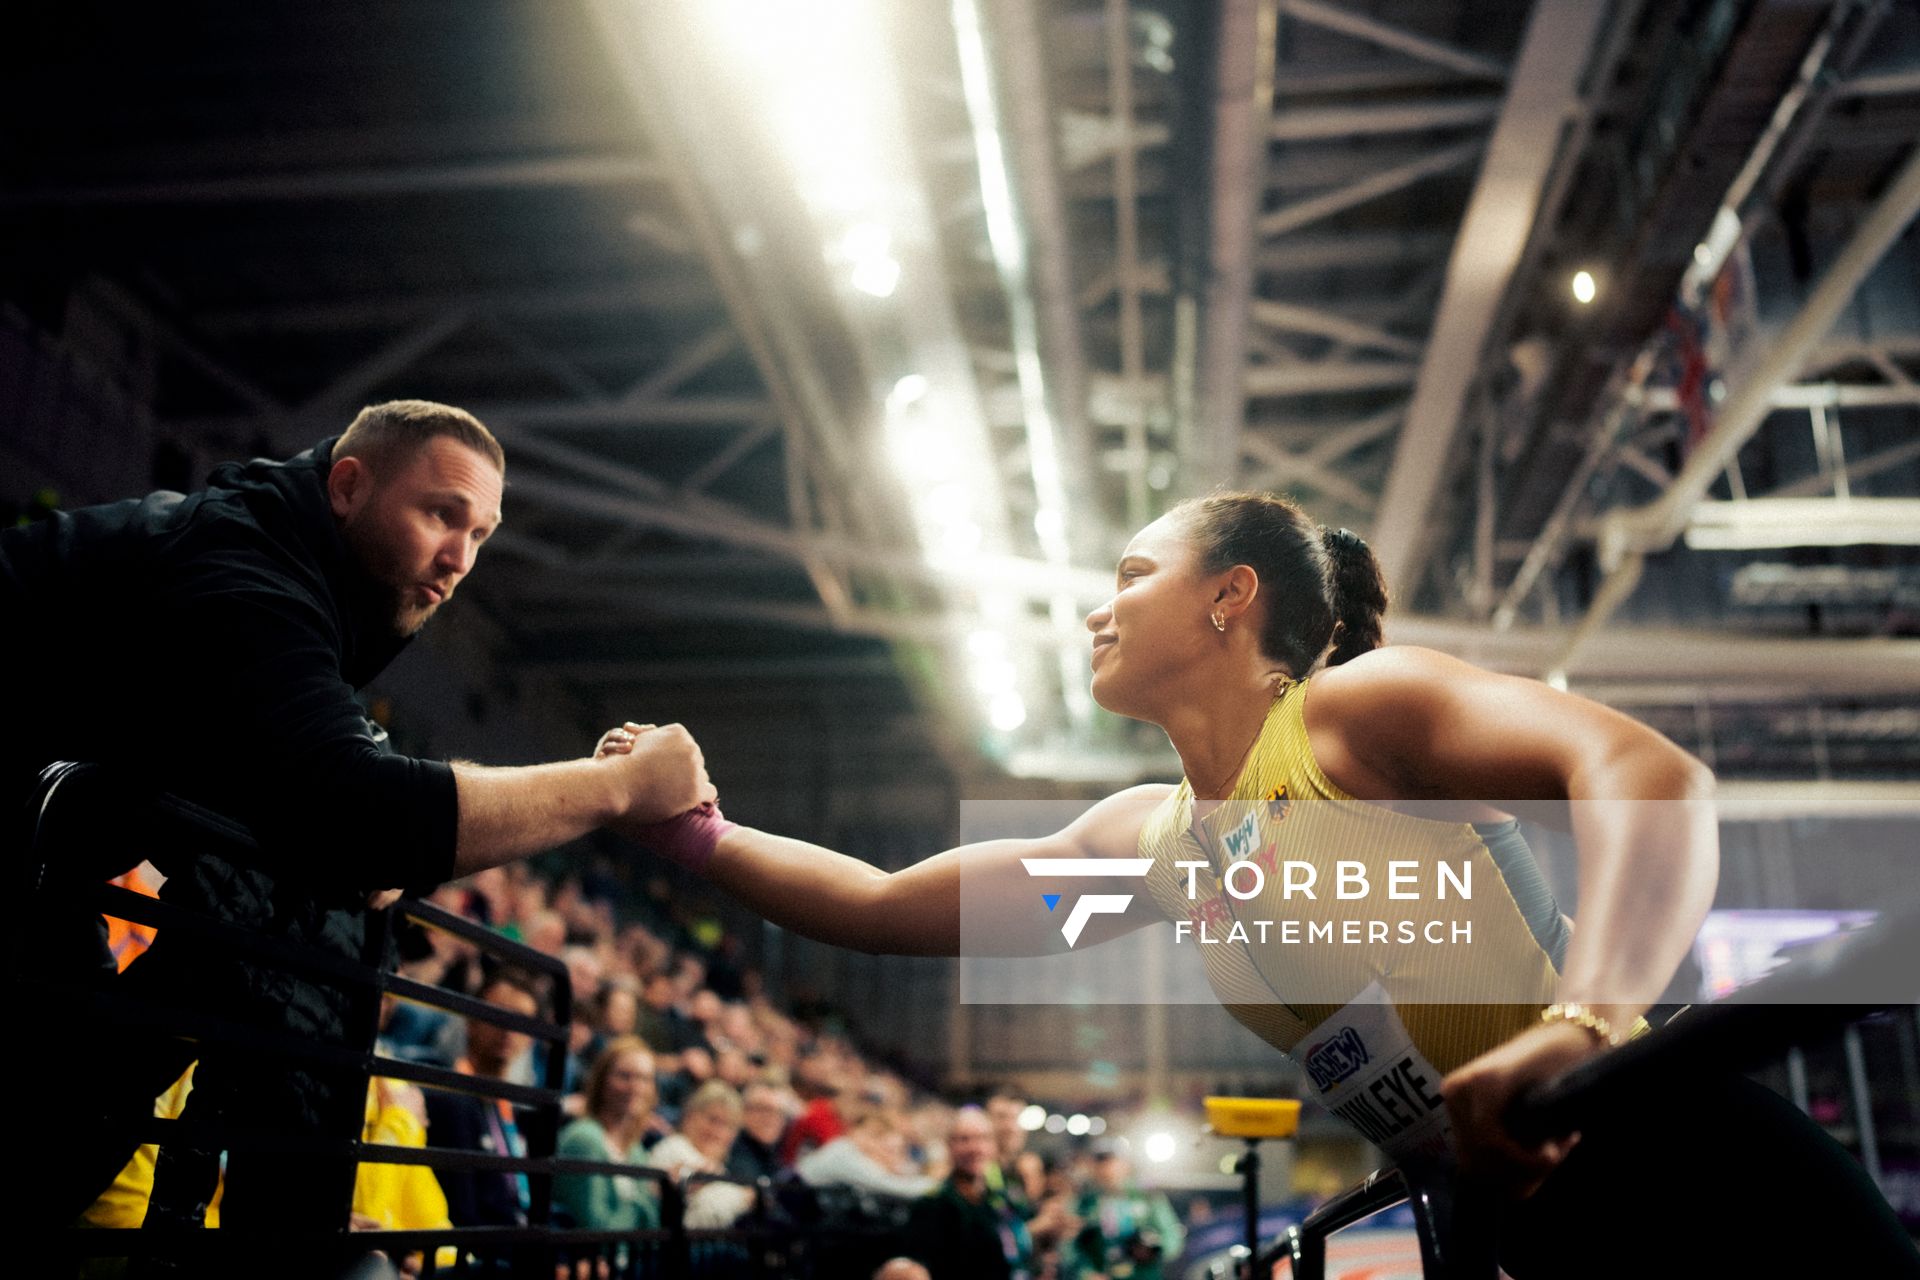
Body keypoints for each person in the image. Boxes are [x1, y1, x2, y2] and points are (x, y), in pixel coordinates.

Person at [602, 491, 1920, 1277]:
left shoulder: (1355, 718)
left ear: (1231, 599)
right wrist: (694, 834)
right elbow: (886, 910)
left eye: (1131, 578)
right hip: (1519, 1234)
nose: (1096, 611)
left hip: (1683, 1173)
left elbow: (1646, 777)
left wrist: (1577, 1027)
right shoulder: (1149, 853)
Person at [2, 399, 716, 1231]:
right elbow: (360, 809)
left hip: (46, 843)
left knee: (95, 1080)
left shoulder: (306, 577)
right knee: (78, 1087)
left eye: (481, 535)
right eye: (440, 516)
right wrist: (619, 791)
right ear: (347, 487)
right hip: (34, 833)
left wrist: (367, 833)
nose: (458, 559)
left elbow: (338, 807)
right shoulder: (249, 565)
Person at [904, 1107, 1033, 1280]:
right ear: (949, 1145)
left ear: (994, 1145)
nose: (975, 1148)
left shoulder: (999, 1195)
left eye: (983, 1138)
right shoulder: (933, 1203)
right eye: (964, 1139)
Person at [553, 1036, 662, 1232]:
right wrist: (649, 1197)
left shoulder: (634, 1149)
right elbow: (596, 1229)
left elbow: (651, 1229)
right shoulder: (585, 1140)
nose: (635, 1087)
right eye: (624, 1076)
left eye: (644, 1079)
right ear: (602, 1082)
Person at [1070, 1144, 1183, 1280]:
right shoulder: (1086, 1203)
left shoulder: (1147, 1197)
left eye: (1112, 1162)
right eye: (1101, 1164)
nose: (1107, 1169)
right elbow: (1073, 1246)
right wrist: (1086, 1273)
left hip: (1142, 1275)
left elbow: (1172, 1237)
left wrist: (1154, 1249)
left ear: (1125, 1165)